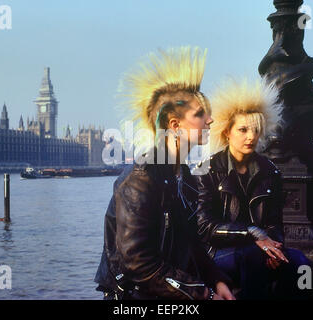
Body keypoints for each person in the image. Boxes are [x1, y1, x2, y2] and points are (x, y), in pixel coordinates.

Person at [94, 47, 234, 300]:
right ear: (175, 125)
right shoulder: (141, 179)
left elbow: (192, 244)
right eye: (200, 114)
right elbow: (138, 264)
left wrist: (217, 281)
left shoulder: (186, 178)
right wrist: (202, 294)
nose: (211, 120)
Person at [193, 78, 309, 300]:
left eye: (256, 130)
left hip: (261, 248)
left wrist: (274, 248)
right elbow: (204, 226)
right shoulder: (207, 170)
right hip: (218, 253)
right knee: (252, 257)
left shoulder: (270, 171)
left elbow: (275, 223)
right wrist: (253, 234)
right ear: (227, 132)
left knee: (302, 265)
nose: (251, 136)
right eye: (243, 129)